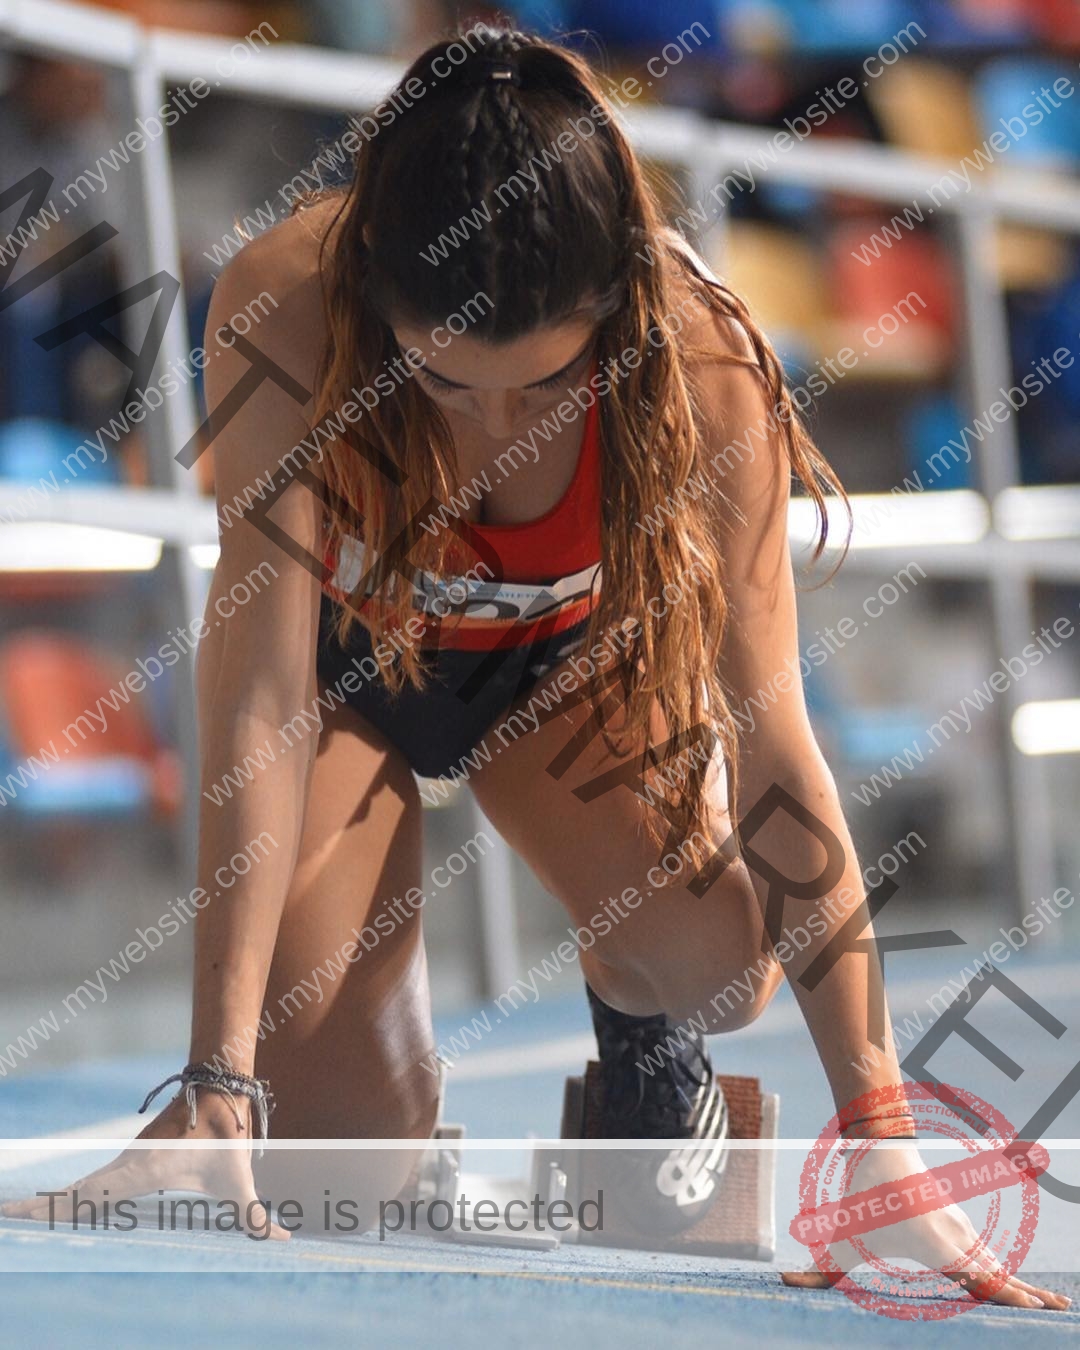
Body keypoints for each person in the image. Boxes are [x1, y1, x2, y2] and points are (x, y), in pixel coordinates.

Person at [2, 25, 1069, 1308]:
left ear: (614, 311)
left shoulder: (705, 361)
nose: (493, 425)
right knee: (326, 1162)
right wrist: (214, 1081)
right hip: (345, 680)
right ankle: (393, 1128)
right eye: (445, 384)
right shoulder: (283, 302)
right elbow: (262, 701)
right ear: (373, 298)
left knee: (724, 971)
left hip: (554, 679)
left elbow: (778, 745)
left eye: (543, 386)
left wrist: (880, 1138)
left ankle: (638, 1031)